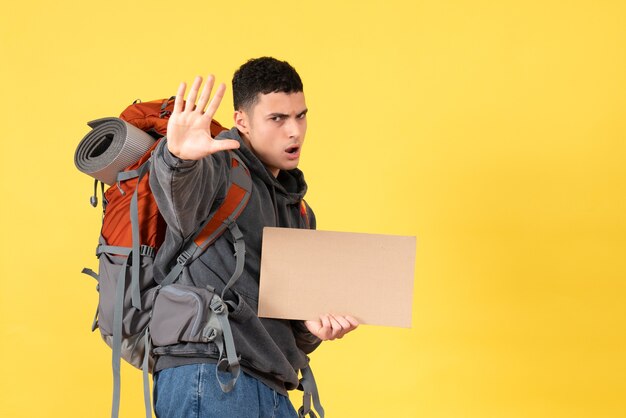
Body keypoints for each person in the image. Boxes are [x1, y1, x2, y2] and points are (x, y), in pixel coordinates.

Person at [149, 57, 359, 417]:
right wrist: (176, 159)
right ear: (241, 121)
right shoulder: (216, 167)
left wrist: (315, 327)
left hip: (274, 386)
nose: (294, 131)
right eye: (277, 119)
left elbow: (295, 333)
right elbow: (177, 196)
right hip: (210, 375)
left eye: (300, 116)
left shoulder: (300, 212)